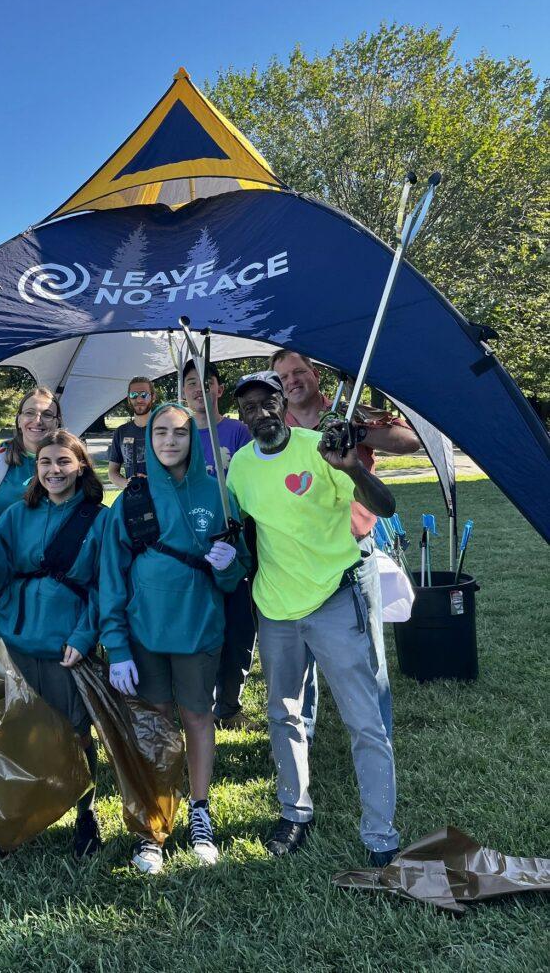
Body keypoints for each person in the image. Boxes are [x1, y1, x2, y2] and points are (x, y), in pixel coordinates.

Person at [227, 371, 400, 866]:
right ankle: (294, 812)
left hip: (335, 600)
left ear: (283, 404)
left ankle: (380, 834)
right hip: (275, 609)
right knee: (283, 714)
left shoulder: (321, 449)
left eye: (268, 402)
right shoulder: (239, 467)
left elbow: (385, 507)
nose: (259, 413)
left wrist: (353, 469)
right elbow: (247, 528)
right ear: (241, 417)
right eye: (249, 407)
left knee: (364, 720)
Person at [99, 403, 250, 874]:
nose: (169, 440)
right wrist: (118, 648)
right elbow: (111, 578)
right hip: (145, 635)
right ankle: (155, 824)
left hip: (199, 629)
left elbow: (236, 574)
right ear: (147, 440)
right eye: (160, 432)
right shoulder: (130, 500)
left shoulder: (220, 494)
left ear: (193, 438)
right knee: (157, 727)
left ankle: (201, 812)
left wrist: (231, 566)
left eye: (180, 433)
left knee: (198, 717)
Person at [271, 350, 420, 741]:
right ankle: (301, 740)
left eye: (298, 371)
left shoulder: (351, 410)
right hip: (298, 557)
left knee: (367, 657)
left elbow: (409, 442)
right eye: (283, 376)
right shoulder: (276, 423)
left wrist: (356, 430)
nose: (292, 380)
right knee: (300, 658)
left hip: (354, 553)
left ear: (315, 373)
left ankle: (377, 736)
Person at [0, 429, 107, 862]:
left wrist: (84, 636)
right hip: (15, 636)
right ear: (36, 468)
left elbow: (105, 586)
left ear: (81, 466)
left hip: (66, 641)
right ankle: (19, 814)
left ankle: (86, 814)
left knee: (75, 732)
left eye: (63, 462)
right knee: (16, 730)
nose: (54, 470)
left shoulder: (98, 518)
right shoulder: (16, 513)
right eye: (46, 462)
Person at [183, 359, 257, 731]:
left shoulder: (238, 432)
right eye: (191, 383)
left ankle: (228, 704)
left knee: (238, 623)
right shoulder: (178, 433)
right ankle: (198, 700)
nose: (199, 389)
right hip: (193, 546)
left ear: (218, 389)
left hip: (236, 540)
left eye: (206, 382)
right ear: (183, 392)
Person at [0, 386, 62, 637]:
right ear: (18, 419)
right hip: (1, 588)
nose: (37, 421)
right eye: (30, 412)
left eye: (47, 414)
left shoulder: (68, 466)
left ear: (58, 422)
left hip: (56, 588)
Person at [107, 376, 156, 488]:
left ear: (153, 397)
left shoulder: (163, 428)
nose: (139, 400)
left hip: (161, 496)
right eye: (133, 395)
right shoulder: (121, 432)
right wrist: (128, 484)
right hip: (134, 498)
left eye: (144, 395)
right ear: (129, 399)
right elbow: (112, 472)